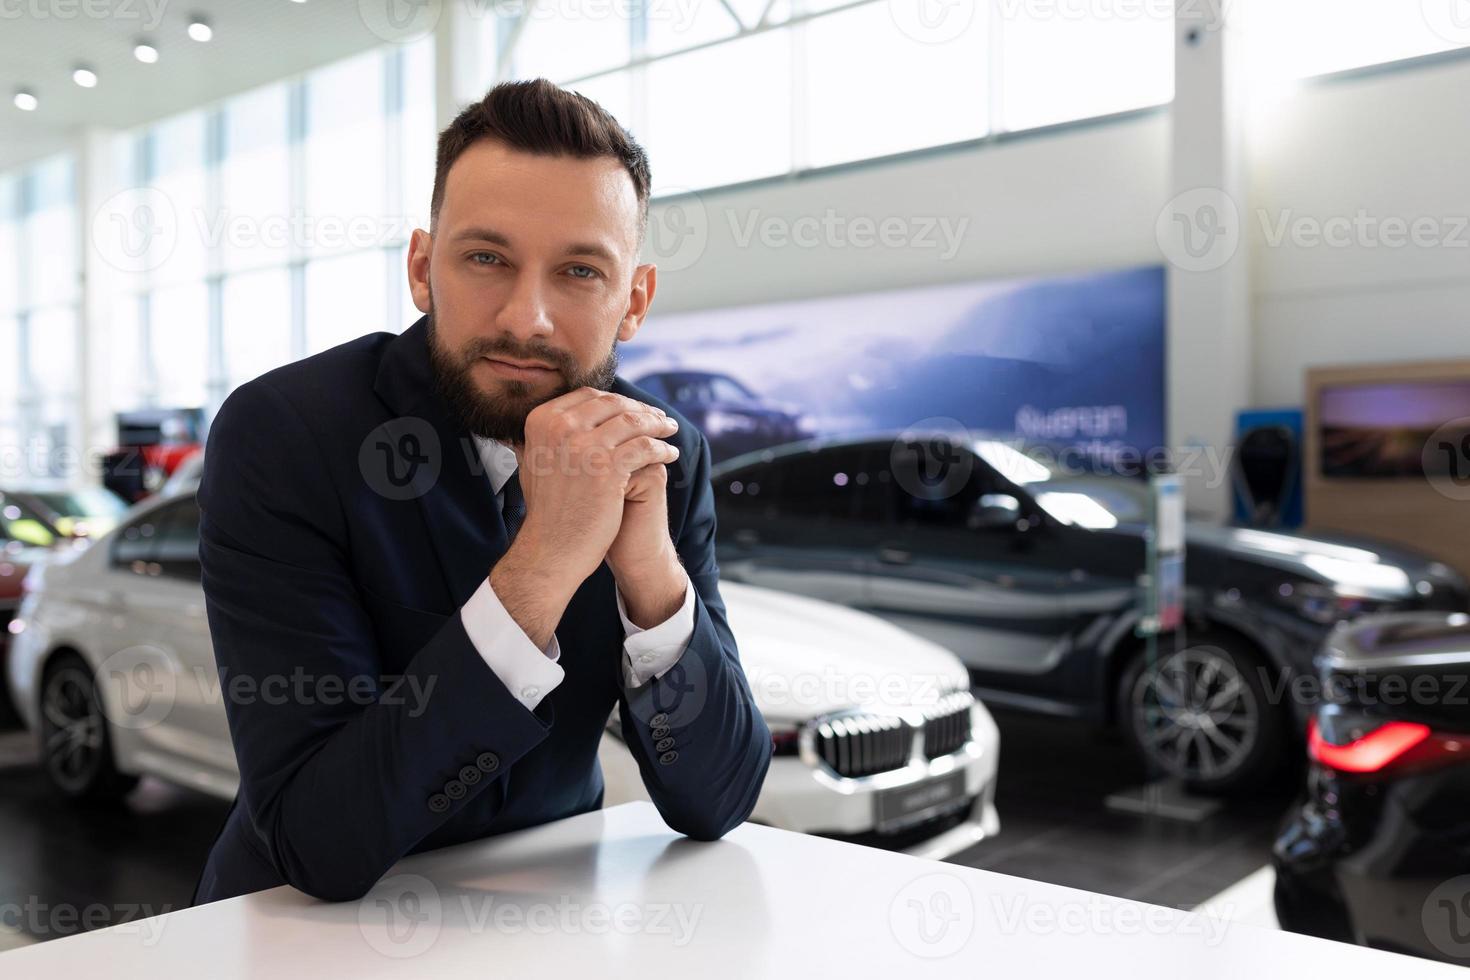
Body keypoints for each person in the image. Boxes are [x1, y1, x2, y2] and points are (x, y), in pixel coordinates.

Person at [190, 79, 772, 904]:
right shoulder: (287, 436)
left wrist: (647, 570)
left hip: (553, 926)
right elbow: (317, 840)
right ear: (424, 270)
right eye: (487, 259)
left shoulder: (660, 454)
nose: (526, 317)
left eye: (578, 270)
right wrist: (542, 567)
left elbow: (717, 800)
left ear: (633, 300)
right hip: (302, 939)